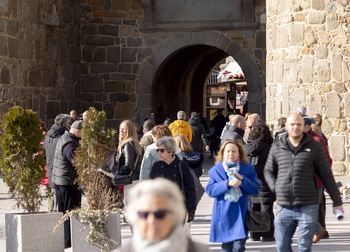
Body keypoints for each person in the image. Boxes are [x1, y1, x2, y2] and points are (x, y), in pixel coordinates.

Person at [264, 113, 343, 252]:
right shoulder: (277, 147)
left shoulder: (315, 146)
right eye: (292, 124)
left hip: (308, 205)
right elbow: (268, 171)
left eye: (299, 124)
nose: (295, 127)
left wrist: (337, 202)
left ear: (305, 126)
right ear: (286, 126)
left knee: (304, 246)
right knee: (282, 245)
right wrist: (275, 187)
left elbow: (326, 175)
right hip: (285, 205)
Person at [113, 178, 208, 252]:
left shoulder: (199, 250)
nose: (151, 221)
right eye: (144, 214)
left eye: (159, 214)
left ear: (175, 216)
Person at [206, 141, 260, 252]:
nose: (231, 154)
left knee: (239, 247)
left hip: (242, 212)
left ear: (239, 153)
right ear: (223, 154)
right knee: (226, 248)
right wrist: (227, 184)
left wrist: (242, 179)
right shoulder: (216, 170)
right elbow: (210, 190)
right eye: (228, 151)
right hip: (224, 214)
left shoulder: (248, 168)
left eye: (234, 151)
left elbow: (256, 190)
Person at [150, 136, 197, 224]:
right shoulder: (156, 166)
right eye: (158, 150)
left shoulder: (182, 165)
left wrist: (191, 209)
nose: (159, 153)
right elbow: (152, 189)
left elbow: (190, 188)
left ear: (171, 151)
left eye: (162, 150)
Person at [52, 120, 83, 249]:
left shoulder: (65, 138)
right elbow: (77, 162)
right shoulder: (70, 143)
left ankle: (67, 241)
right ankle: (68, 242)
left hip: (62, 181)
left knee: (65, 212)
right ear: (77, 132)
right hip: (68, 183)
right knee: (69, 213)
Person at [243, 123, 275, 242]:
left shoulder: (245, 148)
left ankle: (255, 234)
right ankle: (267, 235)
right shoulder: (269, 149)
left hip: (250, 182)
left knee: (254, 207)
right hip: (266, 182)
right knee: (266, 208)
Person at [303, 116, 332, 243]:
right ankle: (315, 231)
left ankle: (317, 230)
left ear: (308, 127)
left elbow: (327, 161)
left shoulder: (317, 140)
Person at [43, 114, 73, 213]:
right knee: (61, 207)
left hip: (52, 172)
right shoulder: (63, 138)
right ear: (64, 124)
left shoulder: (48, 136)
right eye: (70, 123)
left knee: (57, 203)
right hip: (61, 175)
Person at [115, 120, 143, 191]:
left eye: (124, 129)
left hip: (129, 180)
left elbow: (129, 165)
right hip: (135, 179)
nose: (121, 130)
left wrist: (119, 171)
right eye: (120, 128)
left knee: (129, 202)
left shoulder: (128, 144)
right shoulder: (134, 143)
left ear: (130, 131)